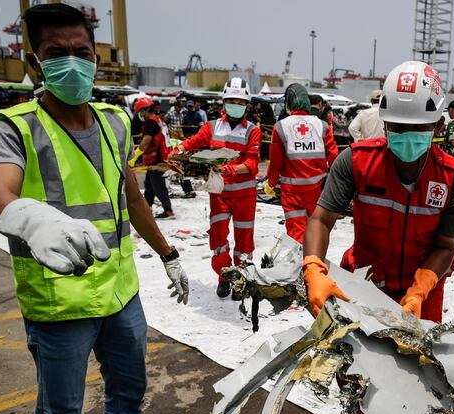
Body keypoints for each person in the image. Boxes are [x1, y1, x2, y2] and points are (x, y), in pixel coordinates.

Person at [0, 4, 189, 414]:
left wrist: (168, 254)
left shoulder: (117, 121)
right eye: (56, 54)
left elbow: (133, 198)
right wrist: (29, 216)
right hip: (59, 303)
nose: (72, 64)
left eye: (81, 53)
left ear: (96, 58)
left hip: (120, 293)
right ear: (34, 63)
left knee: (128, 391)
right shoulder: (14, 127)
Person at [302, 60, 454, 414]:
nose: (405, 136)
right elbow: (321, 218)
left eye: (417, 128)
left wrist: (421, 287)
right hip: (365, 284)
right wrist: (315, 267)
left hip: (423, 292)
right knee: (356, 375)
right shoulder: (356, 160)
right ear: (384, 119)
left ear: (438, 125)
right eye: (397, 126)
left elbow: (445, 245)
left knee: (418, 394)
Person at [175, 77, 261, 299]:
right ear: (224, 102)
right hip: (219, 193)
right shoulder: (212, 127)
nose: (236, 105)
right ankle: (224, 276)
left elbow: (252, 164)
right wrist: (178, 150)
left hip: (244, 194)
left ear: (246, 105)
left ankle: (240, 279)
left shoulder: (253, 131)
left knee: (244, 239)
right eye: (231, 100)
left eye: (240, 102)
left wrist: (230, 170)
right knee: (218, 236)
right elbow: (192, 142)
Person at [265, 84, 338, 242]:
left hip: (293, 194)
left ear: (289, 103)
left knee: (297, 234)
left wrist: (270, 183)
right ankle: (314, 262)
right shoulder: (322, 126)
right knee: (316, 230)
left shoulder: (281, 127)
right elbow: (334, 158)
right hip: (318, 191)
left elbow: (276, 162)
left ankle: (301, 265)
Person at [129, 97, 175, 218]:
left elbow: (146, 141)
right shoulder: (158, 120)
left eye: (140, 112)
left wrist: (134, 157)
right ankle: (146, 209)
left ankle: (168, 211)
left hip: (157, 160)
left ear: (144, 111)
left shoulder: (150, 122)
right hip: (160, 158)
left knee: (158, 186)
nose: (140, 115)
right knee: (149, 185)